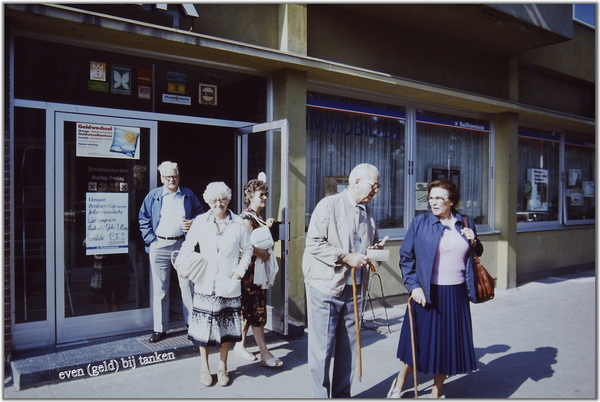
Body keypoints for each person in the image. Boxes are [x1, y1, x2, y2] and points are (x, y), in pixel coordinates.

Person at [387, 178, 483, 399]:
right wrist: (414, 287)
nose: (433, 202)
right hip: (427, 294)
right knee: (417, 344)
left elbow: (476, 254)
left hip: (456, 294)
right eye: (430, 198)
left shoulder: (466, 222)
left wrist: (474, 242)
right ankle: (400, 382)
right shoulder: (420, 222)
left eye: (439, 198)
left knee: (447, 346)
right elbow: (406, 257)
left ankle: (436, 391)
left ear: (451, 200)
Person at [303, 163, 387, 398]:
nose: (376, 191)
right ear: (356, 181)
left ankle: (342, 395)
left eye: (379, 186)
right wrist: (345, 256)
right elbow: (314, 243)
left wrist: (375, 251)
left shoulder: (368, 211)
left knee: (349, 348)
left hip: (356, 289)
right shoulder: (329, 205)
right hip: (326, 287)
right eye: (374, 185)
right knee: (323, 349)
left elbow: (369, 244)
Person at [176, 182, 253, 387]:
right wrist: (181, 266)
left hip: (228, 282)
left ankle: (222, 366)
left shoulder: (238, 223)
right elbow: (187, 246)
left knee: (225, 328)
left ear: (228, 200)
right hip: (205, 282)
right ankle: (204, 366)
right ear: (208, 201)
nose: (218, 203)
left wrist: (239, 272)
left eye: (222, 199)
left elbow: (247, 250)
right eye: (214, 200)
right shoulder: (200, 221)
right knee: (204, 330)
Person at [138, 161, 203, 343]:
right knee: (160, 289)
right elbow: (143, 218)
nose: (172, 180)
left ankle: (192, 325)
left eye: (175, 176)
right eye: (168, 177)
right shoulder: (154, 196)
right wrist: (150, 240)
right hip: (159, 245)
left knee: (186, 286)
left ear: (179, 176)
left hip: (182, 245)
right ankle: (160, 328)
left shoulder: (188, 195)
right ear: (161, 178)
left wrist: (193, 223)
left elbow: (201, 215)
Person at [234, 178, 283, 368]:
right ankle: (264, 352)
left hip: (256, 272)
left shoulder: (256, 216)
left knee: (249, 309)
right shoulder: (246, 218)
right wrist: (260, 252)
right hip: (250, 273)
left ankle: (240, 345)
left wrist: (267, 227)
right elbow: (242, 244)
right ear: (250, 196)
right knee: (256, 310)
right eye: (260, 195)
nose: (264, 198)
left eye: (265, 194)